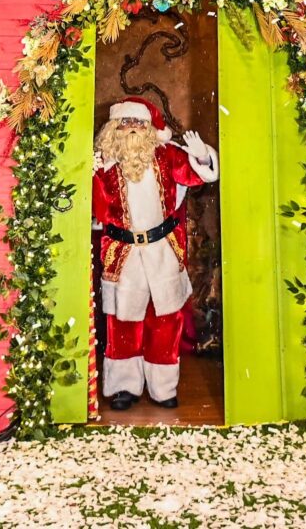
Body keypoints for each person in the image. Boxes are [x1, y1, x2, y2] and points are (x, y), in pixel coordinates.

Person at [93, 96, 217, 410]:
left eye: (139, 123)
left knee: (165, 322)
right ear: (114, 128)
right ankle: (124, 388)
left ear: (151, 128)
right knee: (123, 324)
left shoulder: (167, 156)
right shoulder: (102, 165)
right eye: (126, 123)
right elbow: (95, 209)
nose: (132, 129)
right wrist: (92, 174)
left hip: (162, 250)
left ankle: (163, 389)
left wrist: (202, 158)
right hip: (123, 254)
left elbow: (195, 175)